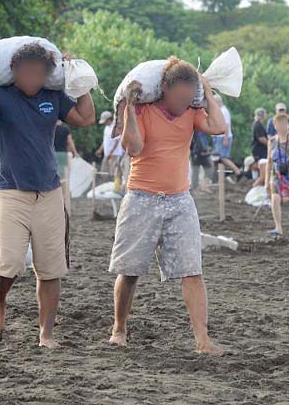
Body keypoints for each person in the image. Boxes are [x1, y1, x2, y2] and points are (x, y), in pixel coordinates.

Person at [0, 42, 95, 348]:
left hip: (48, 192)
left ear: (48, 74)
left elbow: (86, 118)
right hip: (10, 192)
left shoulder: (53, 97)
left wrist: (79, 78)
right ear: (14, 71)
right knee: (10, 264)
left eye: (39, 72)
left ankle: (46, 335)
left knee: (50, 268)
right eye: (26, 71)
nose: (33, 77)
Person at [108, 56, 227, 355]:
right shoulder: (144, 111)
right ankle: (119, 328)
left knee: (192, 269)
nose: (184, 103)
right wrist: (131, 110)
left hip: (180, 200)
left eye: (190, 98)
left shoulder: (191, 113)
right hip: (141, 198)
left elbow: (218, 126)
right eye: (180, 97)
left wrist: (208, 92)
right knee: (130, 270)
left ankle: (202, 340)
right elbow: (132, 147)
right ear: (163, 88)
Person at [265, 113, 289, 236]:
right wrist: (266, 181)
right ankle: (278, 227)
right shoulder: (271, 141)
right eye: (279, 123)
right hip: (276, 172)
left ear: (288, 125)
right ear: (275, 125)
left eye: (284, 123)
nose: (282, 126)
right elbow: (269, 161)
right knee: (275, 198)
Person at [211, 94, 242, 181]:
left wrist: (225, 138)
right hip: (218, 137)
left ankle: (238, 171)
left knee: (222, 157)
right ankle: (219, 177)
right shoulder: (218, 111)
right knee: (217, 159)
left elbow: (226, 125)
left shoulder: (224, 111)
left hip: (222, 137)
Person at [54, 120, 79, 213]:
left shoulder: (50, 127)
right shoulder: (65, 129)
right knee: (63, 180)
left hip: (51, 155)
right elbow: (70, 141)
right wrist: (75, 152)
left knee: (54, 178)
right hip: (62, 155)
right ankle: (63, 202)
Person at [96, 110, 124, 176]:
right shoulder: (106, 128)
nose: (104, 123)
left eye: (104, 121)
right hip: (107, 154)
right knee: (104, 171)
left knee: (113, 172)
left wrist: (111, 153)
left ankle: (114, 185)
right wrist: (100, 149)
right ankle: (106, 184)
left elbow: (116, 141)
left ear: (108, 119)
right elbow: (105, 140)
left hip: (114, 154)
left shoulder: (114, 128)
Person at [251, 108, 269, 187]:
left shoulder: (258, 125)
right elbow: (261, 139)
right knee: (263, 175)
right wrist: (271, 145)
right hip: (260, 151)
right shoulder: (257, 125)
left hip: (261, 151)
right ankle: (254, 187)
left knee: (263, 174)